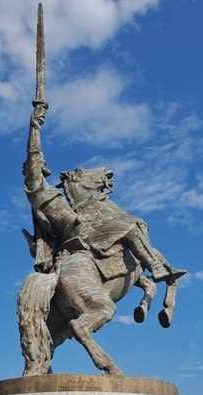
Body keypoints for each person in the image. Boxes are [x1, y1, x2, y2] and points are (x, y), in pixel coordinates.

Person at [23, 102, 186, 284]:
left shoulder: (47, 190)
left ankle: (155, 268)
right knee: (131, 227)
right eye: (40, 162)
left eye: (42, 161)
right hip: (80, 231)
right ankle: (155, 266)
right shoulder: (37, 188)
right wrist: (35, 123)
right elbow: (33, 152)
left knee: (129, 225)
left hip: (77, 229)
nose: (44, 163)